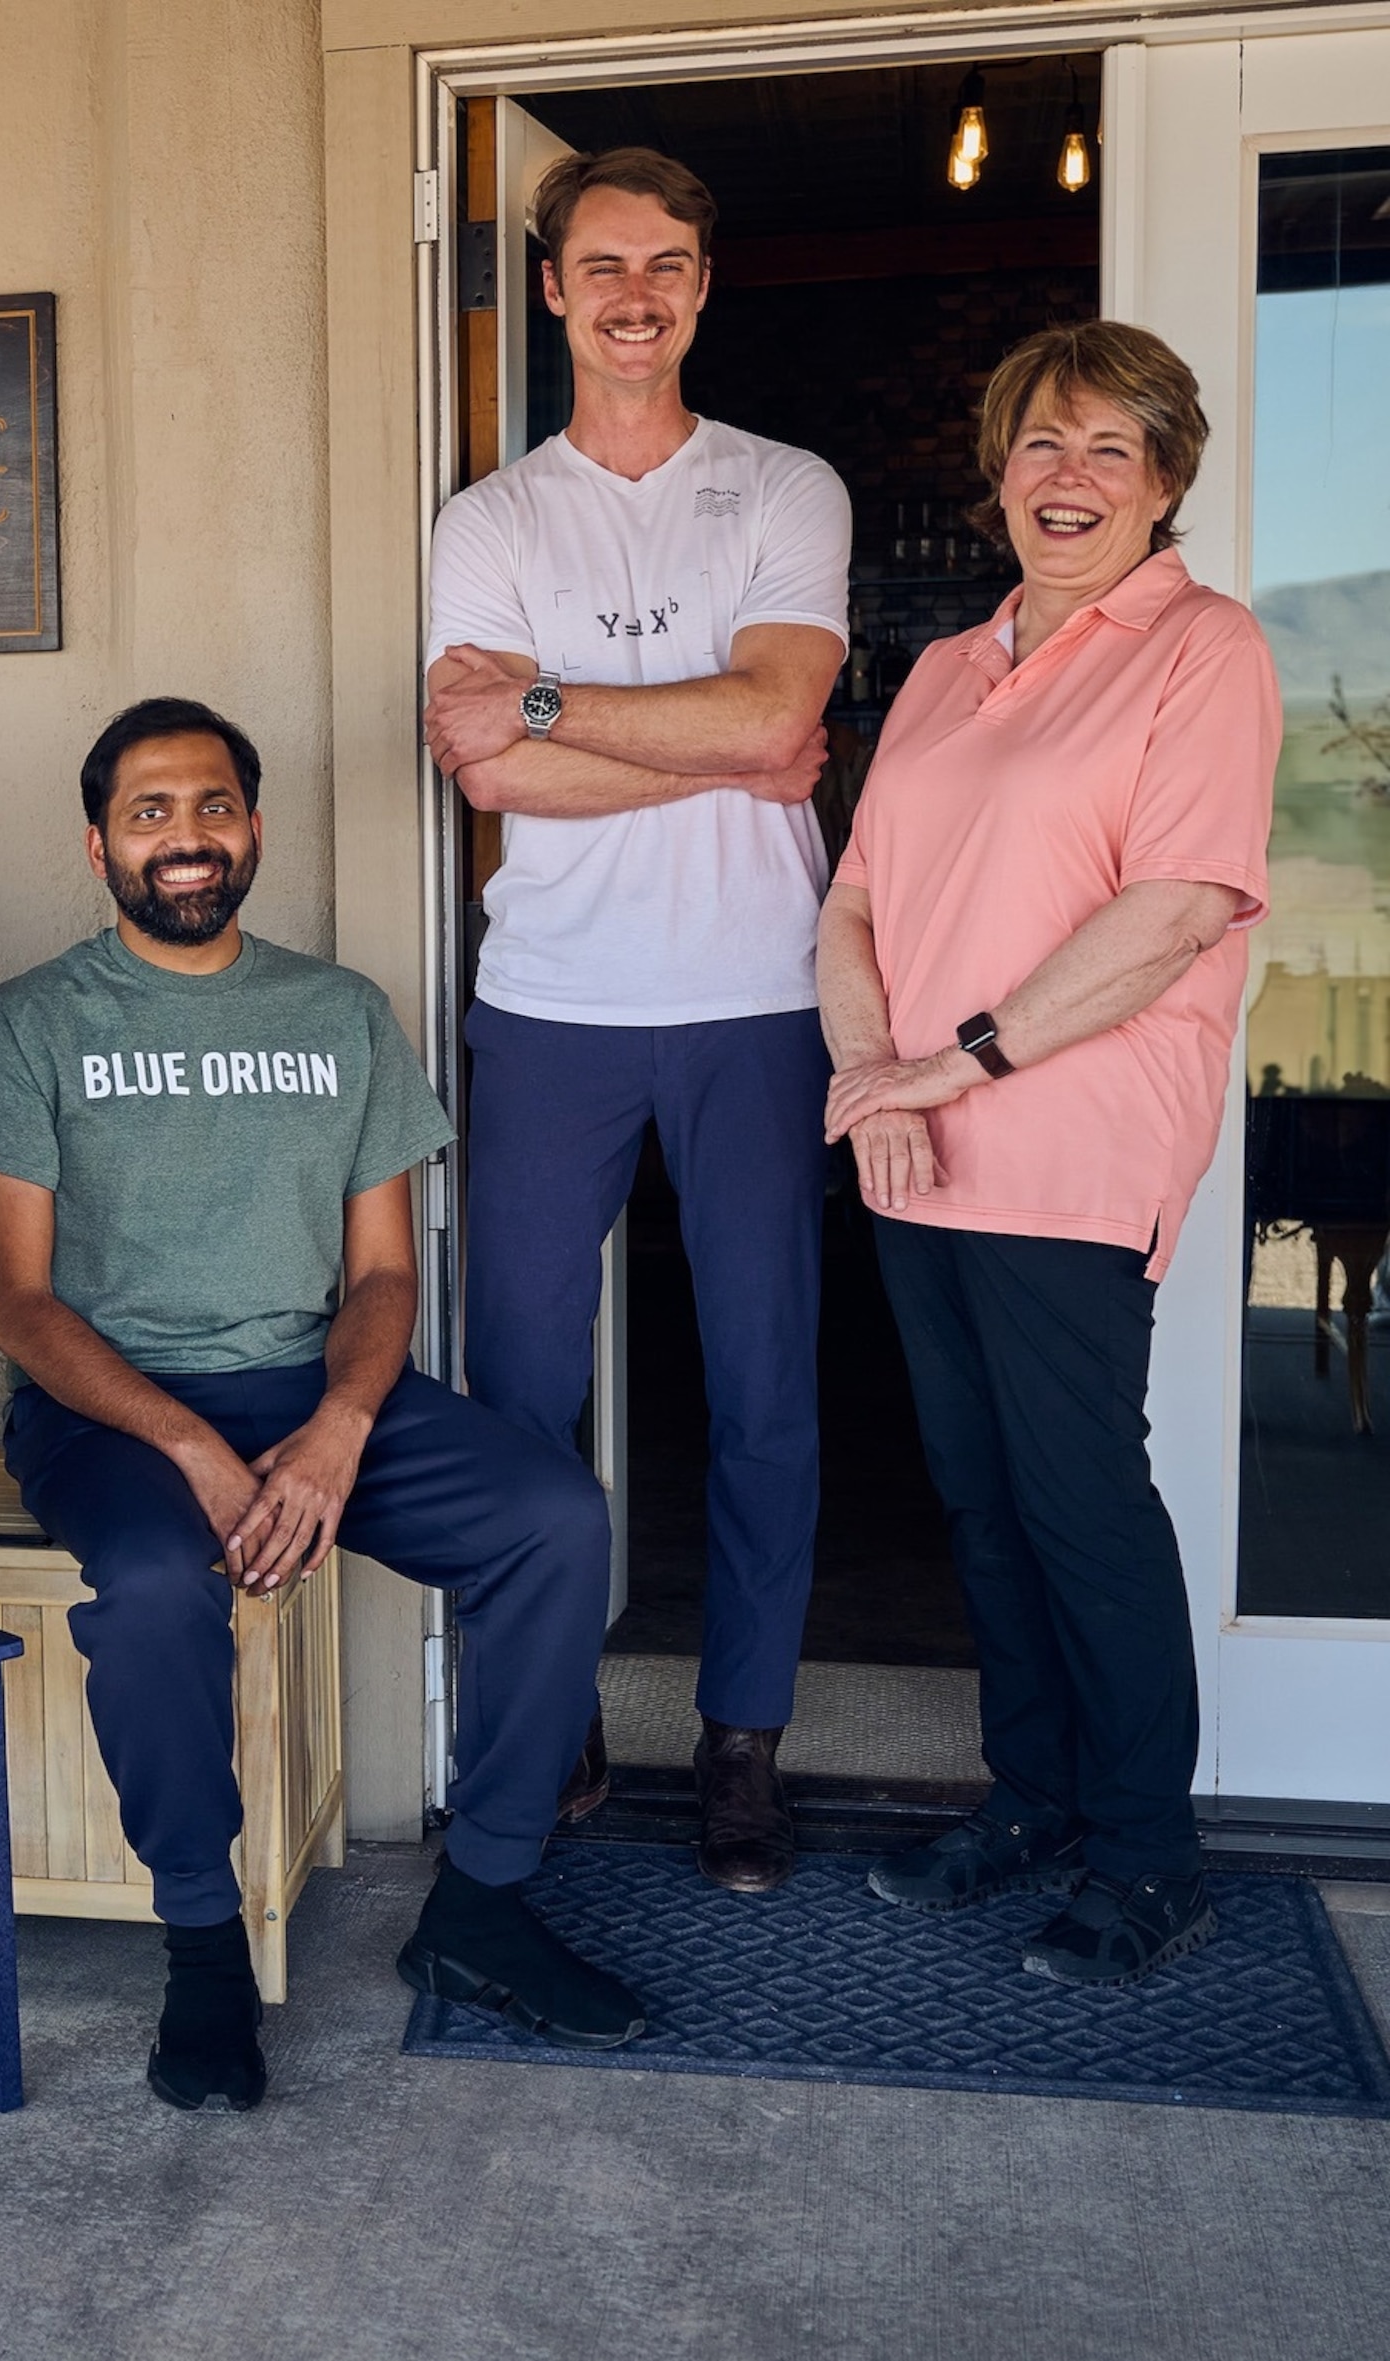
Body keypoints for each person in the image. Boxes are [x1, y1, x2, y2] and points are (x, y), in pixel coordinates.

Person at [0, 696, 642, 2104]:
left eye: (211, 807)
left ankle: (484, 1902)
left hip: (313, 1388)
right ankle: (201, 1939)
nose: (184, 837)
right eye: (150, 813)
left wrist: (338, 1426)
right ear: (98, 846)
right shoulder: (32, 1025)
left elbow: (382, 1276)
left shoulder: (340, 1013)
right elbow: (19, 1304)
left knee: (556, 1518)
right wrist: (191, 1441)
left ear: (252, 829)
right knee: (149, 1583)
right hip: (110, 1410)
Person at [820, 322, 1273, 1986]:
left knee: (1078, 1494)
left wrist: (963, 1058)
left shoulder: (1205, 650)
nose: (1066, 479)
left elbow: (1174, 909)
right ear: (998, 471)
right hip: (919, 1143)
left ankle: (1152, 1852)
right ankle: (1033, 1798)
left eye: (1107, 451)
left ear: (1163, 483)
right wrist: (876, 1072)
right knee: (978, 1494)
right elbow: (856, 898)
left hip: (1072, 1137)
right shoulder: (947, 667)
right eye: (1040, 445)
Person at [420, 146, 849, 1893]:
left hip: (757, 994)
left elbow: (782, 715)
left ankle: (742, 1745)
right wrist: (702, 733)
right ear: (550, 289)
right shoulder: (493, 519)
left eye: (667, 262)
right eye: (602, 264)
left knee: (765, 1391)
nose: (635, 294)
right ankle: (547, 1716)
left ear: (702, 283)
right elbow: (482, 762)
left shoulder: (782, 489)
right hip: (551, 1004)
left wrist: (551, 705)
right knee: (522, 1394)